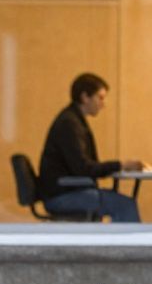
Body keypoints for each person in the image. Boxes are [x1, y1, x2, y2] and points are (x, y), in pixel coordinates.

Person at [38, 72, 143, 222]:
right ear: (85, 97)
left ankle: (118, 245)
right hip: (63, 195)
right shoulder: (70, 124)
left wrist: (118, 166)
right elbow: (84, 168)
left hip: (63, 192)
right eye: (100, 97)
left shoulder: (72, 120)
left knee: (120, 202)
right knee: (125, 206)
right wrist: (122, 164)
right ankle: (128, 246)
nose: (103, 104)